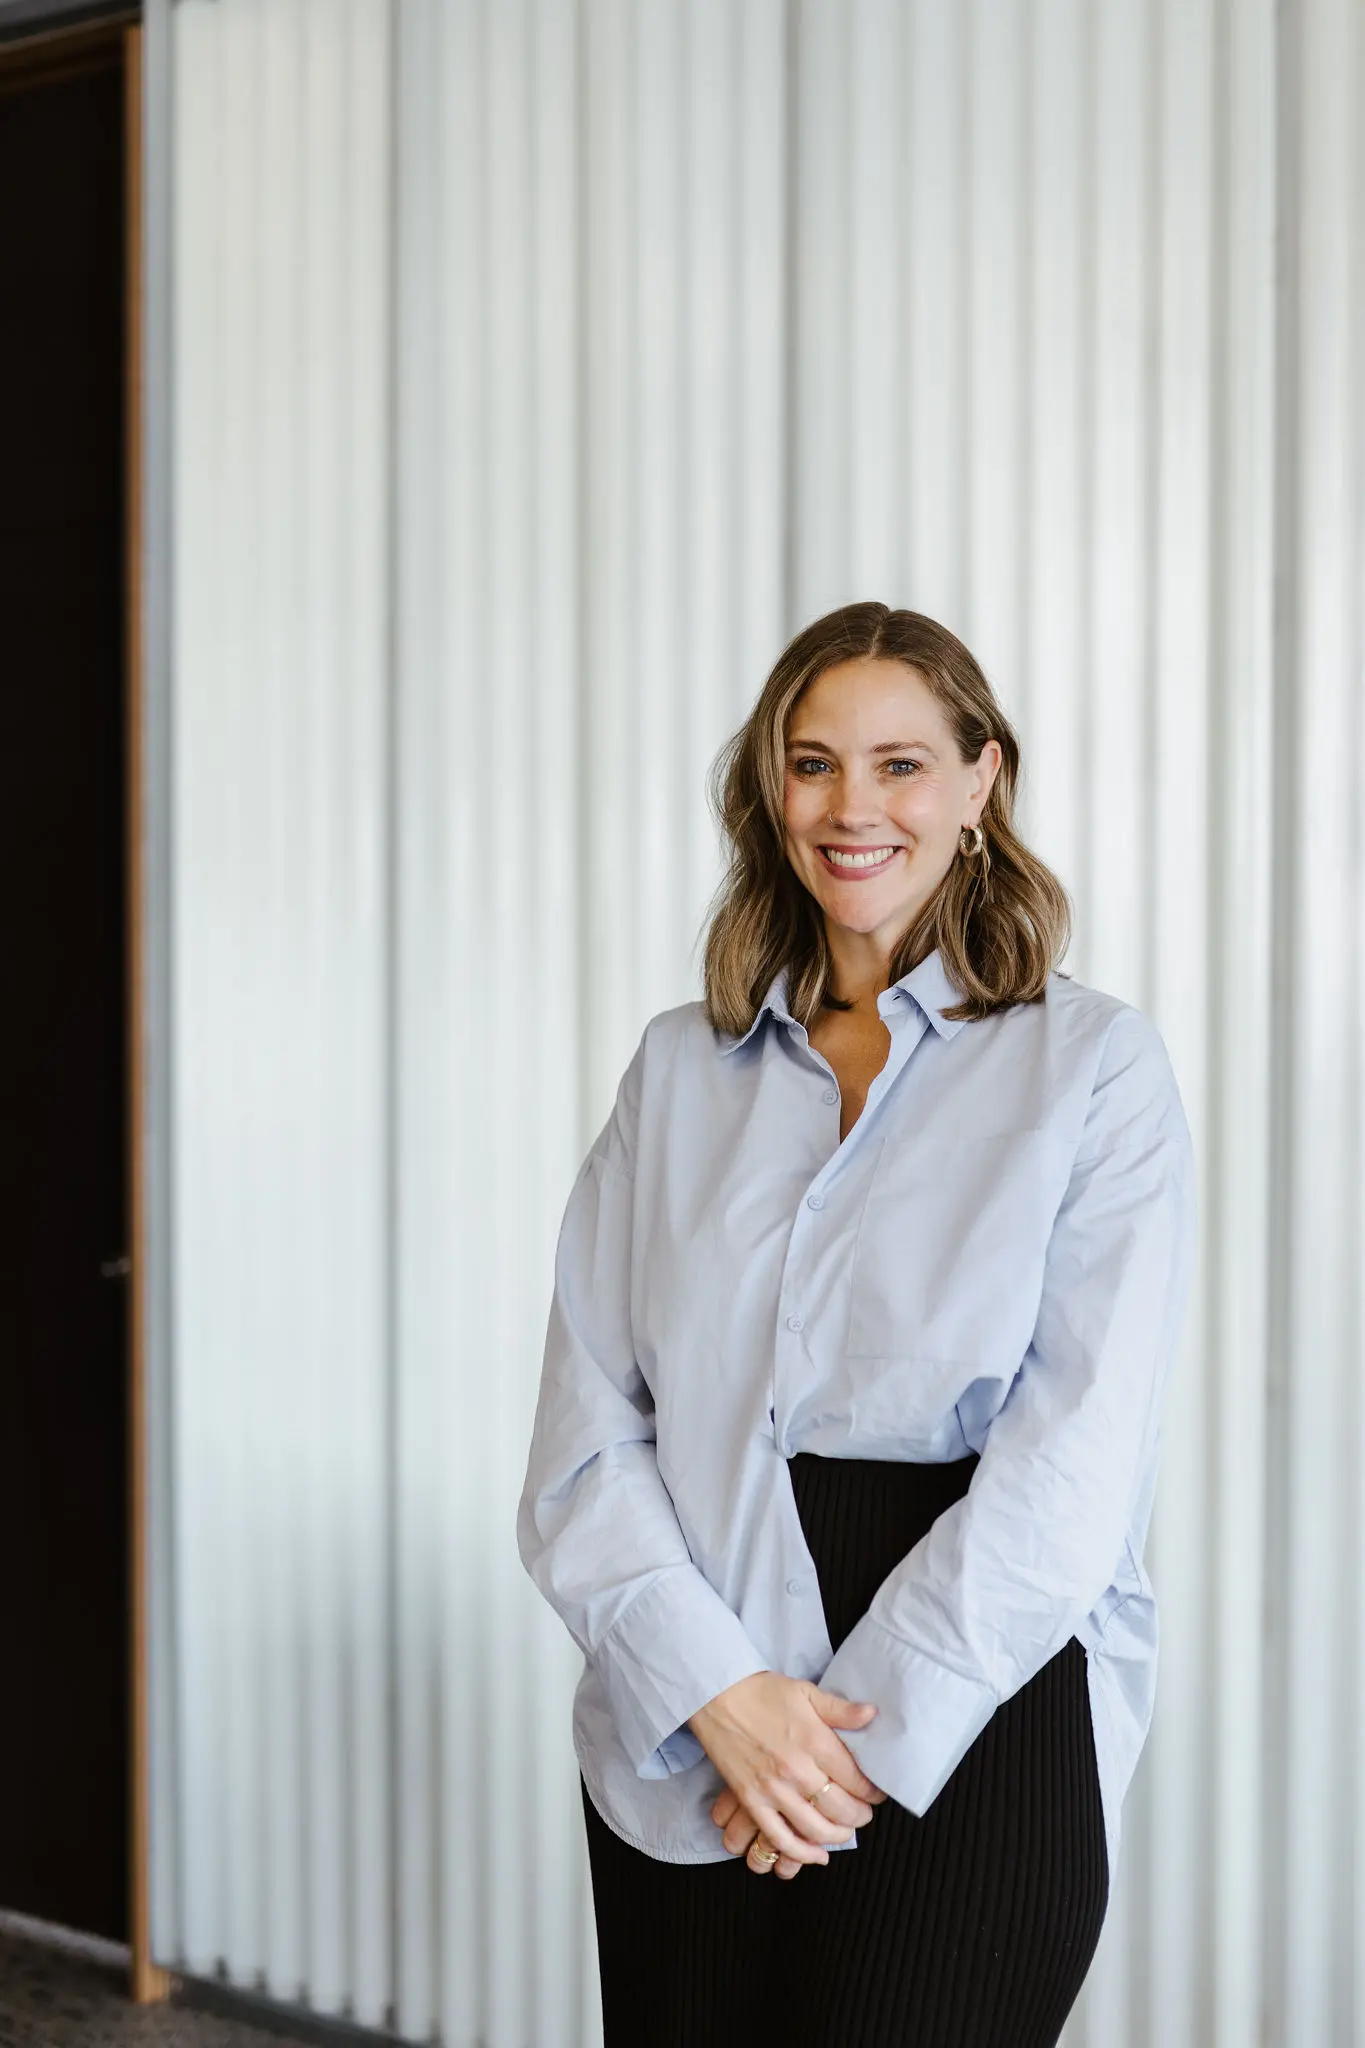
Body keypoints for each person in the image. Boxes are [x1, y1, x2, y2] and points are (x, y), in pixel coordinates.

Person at [516, 602, 1198, 2048]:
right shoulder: (676, 1071)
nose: (853, 807)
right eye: (813, 763)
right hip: (693, 1693)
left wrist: (852, 1745)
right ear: (772, 791)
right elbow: (587, 1430)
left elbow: (1073, 1462)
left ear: (979, 783)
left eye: (900, 764)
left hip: (976, 1700)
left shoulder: (1094, 1071)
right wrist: (720, 1694)